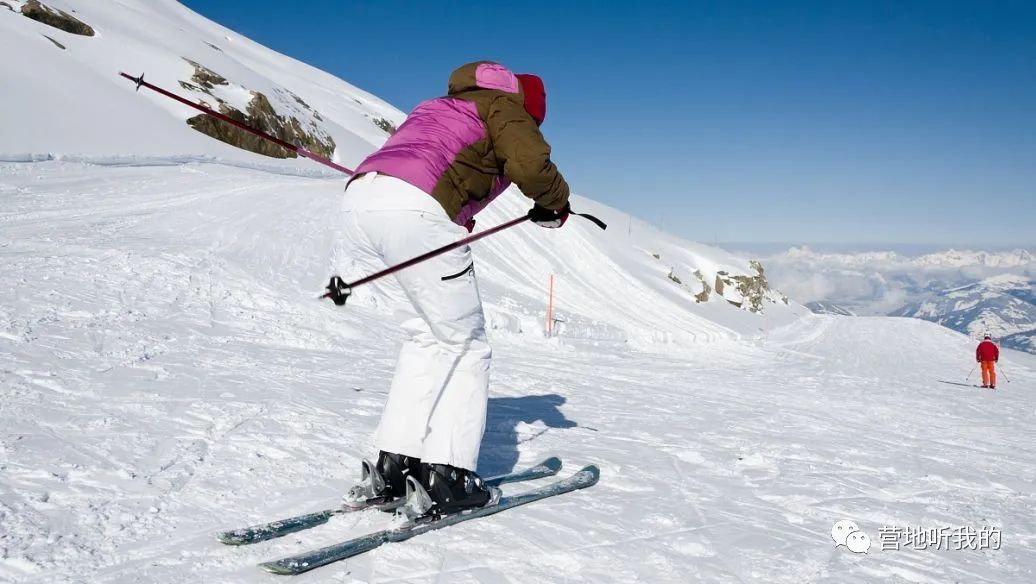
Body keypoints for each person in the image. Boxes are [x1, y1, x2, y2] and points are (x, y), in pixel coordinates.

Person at [336, 61, 570, 516]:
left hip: (361, 205)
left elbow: (441, 165)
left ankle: (393, 467)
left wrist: (447, 211)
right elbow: (530, 164)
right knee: (466, 346)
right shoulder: (505, 107)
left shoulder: (441, 105)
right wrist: (556, 203)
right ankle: (448, 476)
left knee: (425, 337)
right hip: (413, 212)